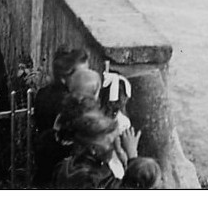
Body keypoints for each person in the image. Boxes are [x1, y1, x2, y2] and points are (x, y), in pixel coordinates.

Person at [32, 48, 90, 188]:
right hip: (64, 170)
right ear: (65, 77)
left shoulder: (43, 93)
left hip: (44, 163)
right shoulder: (71, 103)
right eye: (81, 75)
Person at [53, 111, 141, 189]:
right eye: (110, 142)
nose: (114, 147)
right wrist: (132, 157)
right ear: (93, 147)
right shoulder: (96, 177)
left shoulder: (65, 166)